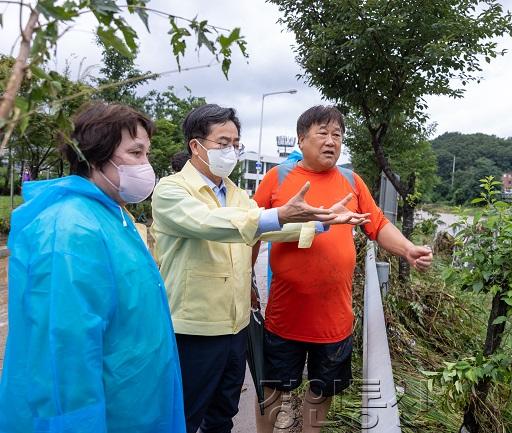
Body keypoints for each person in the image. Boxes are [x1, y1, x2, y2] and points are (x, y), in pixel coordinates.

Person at [150, 104, 368, 433]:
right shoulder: (171, 189)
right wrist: (279, 214)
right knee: (185, 414)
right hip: (194, 328)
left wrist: (320, 222)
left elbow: (262, 228)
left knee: (223, 414)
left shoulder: (236, 193)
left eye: (235, 143)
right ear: (196, 146)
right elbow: (211, 223)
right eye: (222, 142)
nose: (231, 150)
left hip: (235, 327)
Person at [0, 102, 184, 432]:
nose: (146, 165)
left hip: (132, 405)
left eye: (146, 153)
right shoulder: (71, 230)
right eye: (136, 152)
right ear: (95, 157)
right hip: (108, 415)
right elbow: (64, 356)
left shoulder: (109, 215)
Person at [254, 105, 433, 433]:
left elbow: (377, 224)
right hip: (285, 315)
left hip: (334, 318)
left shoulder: (351, 181)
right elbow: (250, 228)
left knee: (323, 391)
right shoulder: (276, 178)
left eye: (337, 134)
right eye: (322, 133)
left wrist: (408, 249)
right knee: (273, 389)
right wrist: (246, 282)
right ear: (301, 139)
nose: (331, 141)